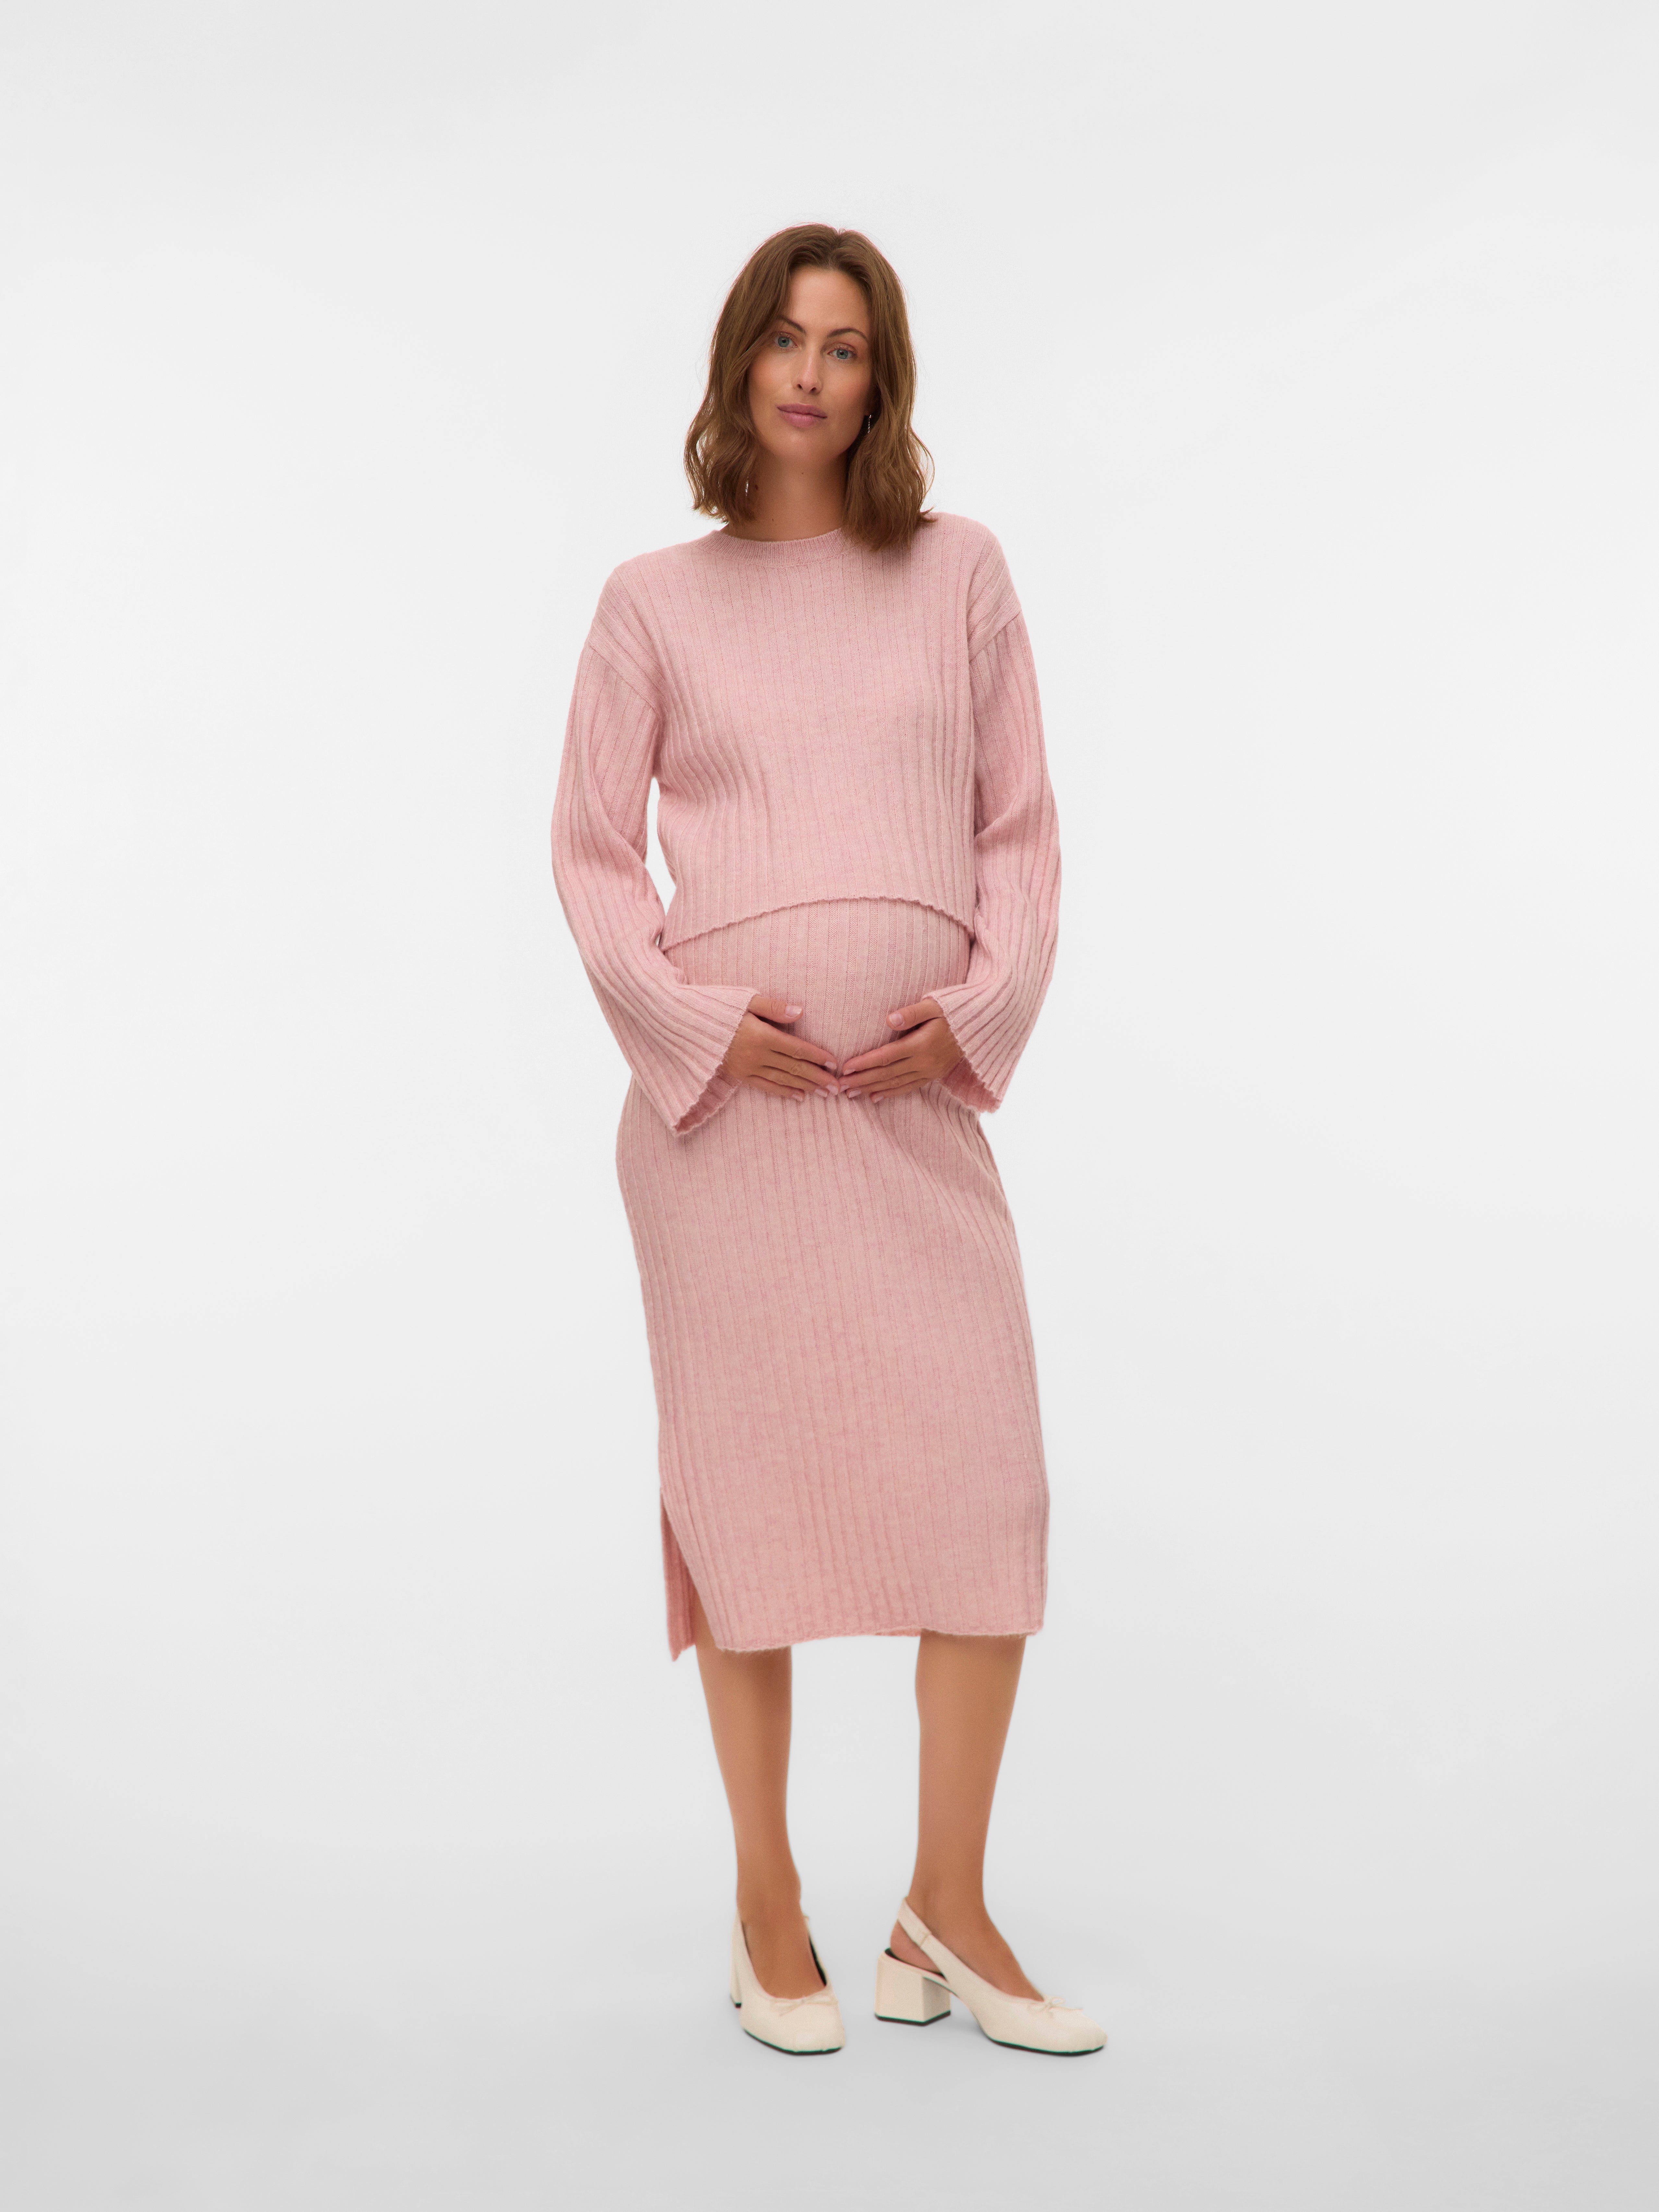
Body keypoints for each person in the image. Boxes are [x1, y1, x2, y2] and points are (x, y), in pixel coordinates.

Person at [550, 224, 1103, 2058]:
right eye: (784, 340)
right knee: (752, 1512)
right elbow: (589, 856)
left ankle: (945, 1906)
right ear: (739, 366)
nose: (810, 372)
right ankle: (766, 1899)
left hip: (913, 1107)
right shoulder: (653, 601)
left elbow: (1020, 833)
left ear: (883, 380)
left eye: (845, 346)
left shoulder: (960, 572)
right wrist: (702, 1033)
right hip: (729, 1138)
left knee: (988, 1496)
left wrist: (984, 1010)